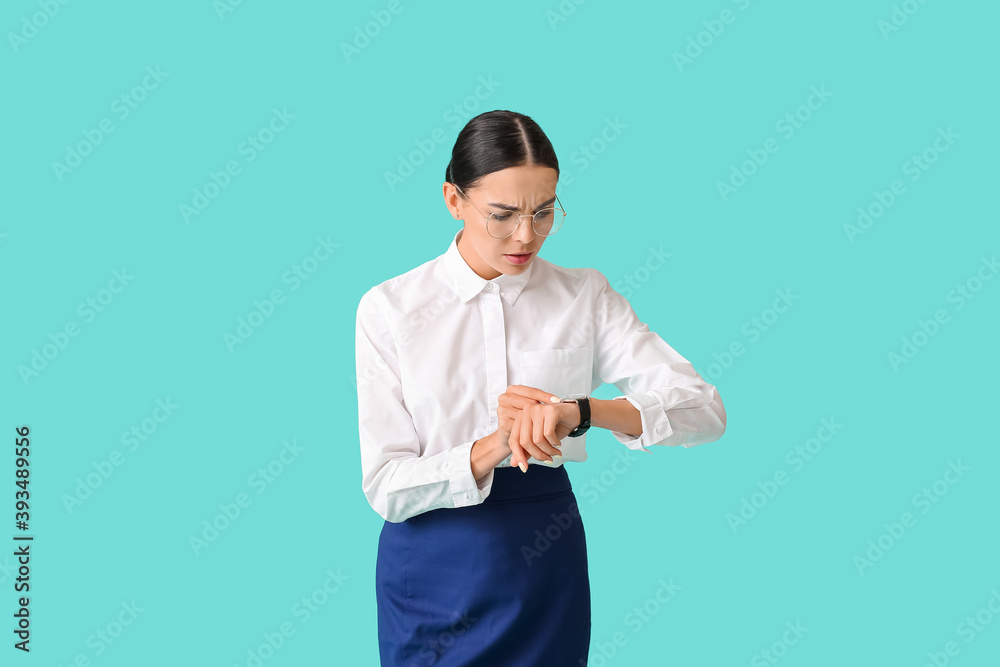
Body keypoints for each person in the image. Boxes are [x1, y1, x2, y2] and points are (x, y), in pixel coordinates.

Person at [355, 109, 726, 666]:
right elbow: (386, 486)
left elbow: (703, 411)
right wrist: (496, 445)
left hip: (543, 559)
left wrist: (582, 411)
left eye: (544, 211)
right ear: (454, 201)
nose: (526, 235)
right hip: (430, 572)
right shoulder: (389, 309)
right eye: (501, 215)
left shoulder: (585, 296)